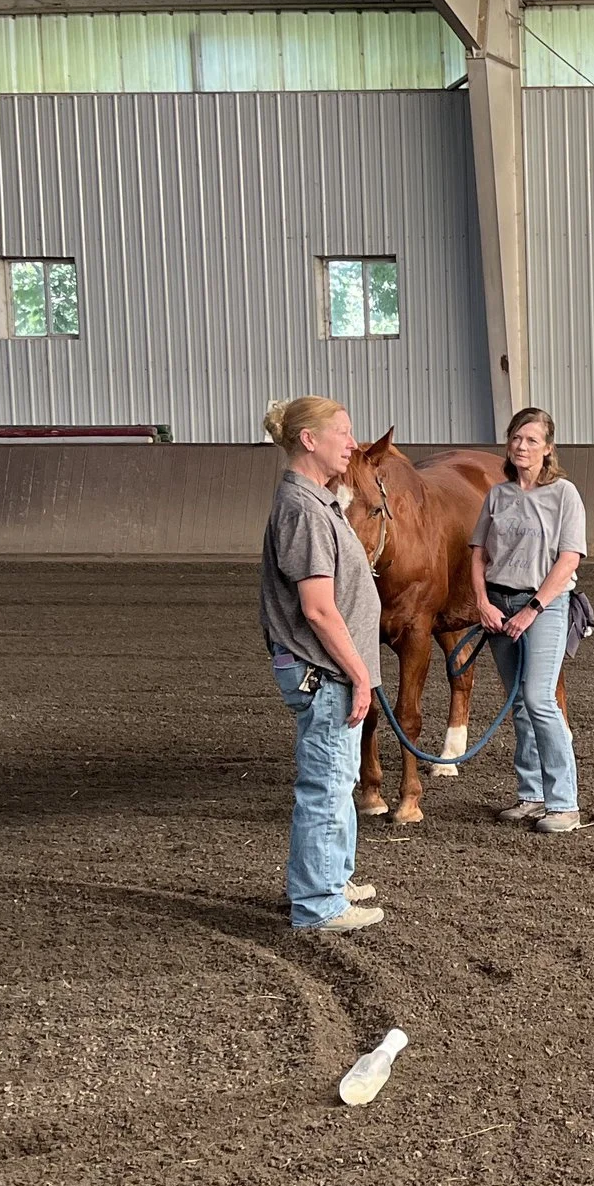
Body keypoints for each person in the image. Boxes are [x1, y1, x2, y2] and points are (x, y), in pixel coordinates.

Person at [259, 395, 386, 935]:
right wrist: (359, 673)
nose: (352, 443)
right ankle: (318, 902)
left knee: (338, 779)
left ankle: (329, 878)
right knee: (328, 784)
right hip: (324, 671)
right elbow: (317, 607)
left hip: (326, 671)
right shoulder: (305, 510)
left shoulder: (318, 502)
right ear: (309, 440)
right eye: (343, 432)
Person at [470, 406, 588, 835]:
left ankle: (564, 803)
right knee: (519, 703)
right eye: (517, 438)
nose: (522, 446)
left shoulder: (564, 495)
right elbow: (478, 553)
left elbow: (569, 558)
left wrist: (531, 610)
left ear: (548, 449)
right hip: (498, 606)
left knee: (540, 699)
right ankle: (531, 794)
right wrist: (482, 602)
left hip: (543, 606)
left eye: (532, 440)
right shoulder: (498, 495)